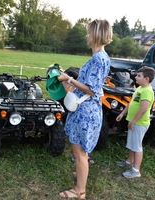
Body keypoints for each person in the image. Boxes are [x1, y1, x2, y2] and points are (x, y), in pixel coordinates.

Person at [57, 19, 113, 199]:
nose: (86, 35)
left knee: (80, 151)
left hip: (86, 112)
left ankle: (79, 191)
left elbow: (91, 89)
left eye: (89, 32)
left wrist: (70, 80)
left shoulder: (98, 59)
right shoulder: (101, 57)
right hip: (87, 108)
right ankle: (82, 173)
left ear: (96, 34)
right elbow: (88, 85)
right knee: (82, 149)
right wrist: (67, 80)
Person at [115, 66, 155, 178]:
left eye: (139, 76)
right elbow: (131, 103)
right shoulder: (140, 88)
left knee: (137, 146)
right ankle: (129, 161)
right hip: (134, 122)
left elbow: (143, 109)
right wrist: (122, 114)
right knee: (131, 143)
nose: (136, 77)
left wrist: (133, 121)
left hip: (140, 123)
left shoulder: (147, 91)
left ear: (146, 78)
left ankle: (136, 170)